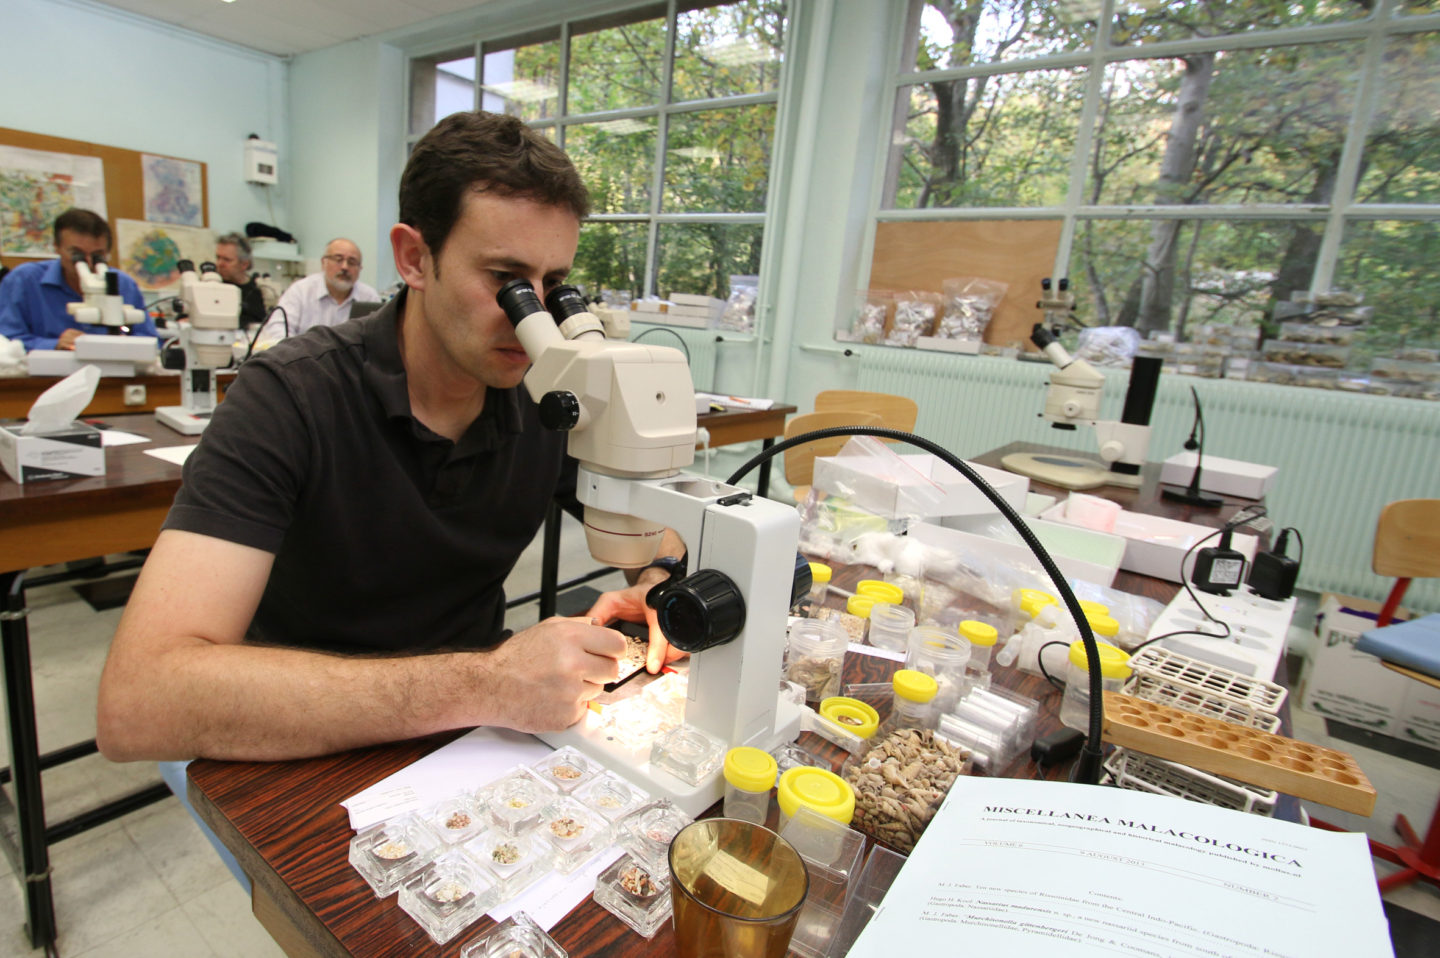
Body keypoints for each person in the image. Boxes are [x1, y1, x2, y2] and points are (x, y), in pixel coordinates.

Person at [96, 111, 686, 764]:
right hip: (295, 741)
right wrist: (487, 682)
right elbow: (139, 703)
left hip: (477, 734)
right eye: (507, 281)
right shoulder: (289, 396)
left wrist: (657, 580)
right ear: (414, 258)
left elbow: (659, 534)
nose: (534, 315)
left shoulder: (548, 393)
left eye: (553, 284)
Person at [0, 208, 158, 351]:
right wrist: (54, 345)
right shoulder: (24, 280)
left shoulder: (124, 284)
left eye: (97, 255)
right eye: (76, 254)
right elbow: (6, 339)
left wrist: (124, 345)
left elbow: (150, 340)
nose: (88, 263)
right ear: (56, 247)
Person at [252, 236, 380, 347]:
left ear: (360, 268)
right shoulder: (301, 291)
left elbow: (377, 340)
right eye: (338, 259)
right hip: (304, 361)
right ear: (324, 262)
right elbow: (277, 330)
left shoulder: (370, 297)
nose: (344, 267)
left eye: (352, 262)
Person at [213, 232, 268, 328]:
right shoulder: (210, 285)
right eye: (218, 258)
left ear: (244, 264)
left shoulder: (255, 294)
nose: (219, 264)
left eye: (227, 260)